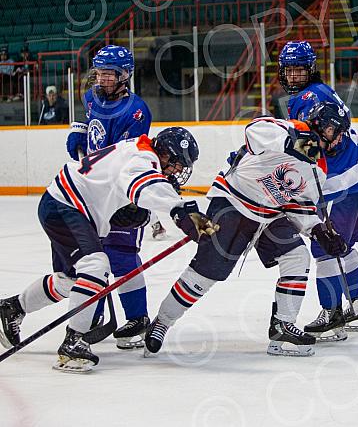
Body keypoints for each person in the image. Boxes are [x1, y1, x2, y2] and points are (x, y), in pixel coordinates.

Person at [0, 128, 216, 372]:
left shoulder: (138, 150)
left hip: (65, 203)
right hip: (68, 205)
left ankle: (13, 308)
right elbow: (142, 185)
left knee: (72, 281)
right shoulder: (143, 159)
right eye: (176, 164)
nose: (177, 171)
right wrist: (181, 209)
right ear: (165, 153)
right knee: (95, 266)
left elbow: (134, 192)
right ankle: (73, 343)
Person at [143, 116, 347, 357]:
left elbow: (298, 207)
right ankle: (163, 322)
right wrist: (291, 143)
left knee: (298, 257)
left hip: (270, 216)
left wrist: (318, 231)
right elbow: (253, 131)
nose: (338, 138)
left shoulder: (319, 170)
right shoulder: (291, 129)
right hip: (233, 202)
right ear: (321, 127)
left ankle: (283, 325)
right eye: (335, 130)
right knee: (207, 272)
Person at [282, 41, 358, 341]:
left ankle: (332, 314)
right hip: (357, 175)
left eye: (299, 70)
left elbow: (309, 146)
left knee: (325, 248)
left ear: (310, 68)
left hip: (339, 182)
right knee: (342, 245)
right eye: (288, 70)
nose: (293, 76)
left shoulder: (308, 98)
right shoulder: (322, 90)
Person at [65, 45, 165, 350]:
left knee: (121, 254)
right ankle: (91, 316)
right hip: (93, 190)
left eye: (109, 74)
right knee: (92, 257)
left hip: (121, 193)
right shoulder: (92, 96)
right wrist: (78, 132)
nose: (102, 79)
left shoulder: (136, 111)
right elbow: (87, 118)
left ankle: (137, 318)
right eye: (99, 73)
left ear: (124, 76)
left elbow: (124, 158)